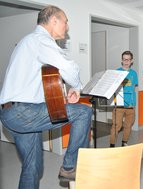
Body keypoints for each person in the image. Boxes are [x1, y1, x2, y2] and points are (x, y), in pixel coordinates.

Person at [0, 6, 92, 189]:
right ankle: (69, 167)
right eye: (65, 22)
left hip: (11, 113)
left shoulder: (29, 42)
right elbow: (69, 69)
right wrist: (75, 87)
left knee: (32, 166)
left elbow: (36, 85)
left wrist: (60, 98)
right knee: (83, 112)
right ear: (54, 21)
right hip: (24, 112)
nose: (67, 27)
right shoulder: (41, 40)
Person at [109, 51, 138, 147]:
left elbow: (133, 88)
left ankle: (124, 142)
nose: (126, 61)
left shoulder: (134, 74)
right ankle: (112, 144)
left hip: (130, 105)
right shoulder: (117, 72)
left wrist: (133, 104)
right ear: (122, 60)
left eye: (128, 59)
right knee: (117, 126)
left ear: (131, 61)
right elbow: (113, 88)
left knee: (128, 125)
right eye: (124, 59)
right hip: (119, 105)